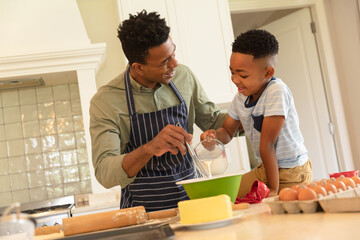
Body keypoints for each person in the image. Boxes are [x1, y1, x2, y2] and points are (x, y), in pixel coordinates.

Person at [89, 10, 226, 211]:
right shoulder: (106, 101)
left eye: (173, 53)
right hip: (144, 214)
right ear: (138, 68)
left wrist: (251, 102)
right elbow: (104, 172)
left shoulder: (183, 76)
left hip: (194, 204)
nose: (175, 64)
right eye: (164, 62)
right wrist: (150, 148)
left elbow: (214, 122)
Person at [201, 29, 313, 197]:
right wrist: (213, 137)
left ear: (268, 73)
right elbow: (227, 132)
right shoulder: (240, 98)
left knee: (283, 213)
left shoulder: (276, 92)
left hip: (292, 171)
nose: (235, 79)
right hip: (266, 169)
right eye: (232, 72)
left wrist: (273, 190)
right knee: (227, 196)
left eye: (243, 75)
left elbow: (267, 144)